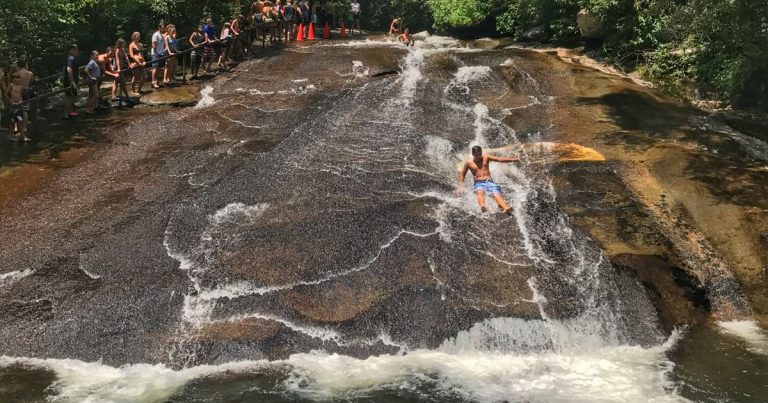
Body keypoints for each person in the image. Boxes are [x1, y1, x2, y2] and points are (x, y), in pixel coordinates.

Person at [457, 145, 520, 214]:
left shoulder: (486, 157)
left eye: (479, 154)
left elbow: (500, 159)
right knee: (480, 192)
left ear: (481, 152)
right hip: (479, 183)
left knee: (496, 194)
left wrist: (513, 159)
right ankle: (482, 206)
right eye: (476, 155)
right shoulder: (468, 163)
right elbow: (462, 174)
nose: (478, 157)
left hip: (489, 182)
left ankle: (506, 208)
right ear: (473, 154)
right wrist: (460, 186)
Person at [13, 59, 34, 129]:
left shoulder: (16, 74)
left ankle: (18, 126)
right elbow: (31, 82)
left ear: (18, 65)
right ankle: (24, 127)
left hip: (17, 91)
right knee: (25, 110)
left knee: (17, 110)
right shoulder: (30, 73)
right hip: (26, 90)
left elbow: (13, 83)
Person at [112, 39, 133, 106]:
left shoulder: (123, 50)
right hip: (117, 67)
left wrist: (129, 65)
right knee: (121, 82)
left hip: (121, 67)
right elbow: (117, 60)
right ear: (120, 44)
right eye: (123, 43)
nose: (124, 44)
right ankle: (126, 97)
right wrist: (118, 68)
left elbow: (126, 57)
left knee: (117, 82)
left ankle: (114, 96)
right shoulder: (117, 50)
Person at [63, 44, 80, 119]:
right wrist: (72, 81)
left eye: (77, 49)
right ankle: (65, 114)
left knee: (72, 96)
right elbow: (69, 69)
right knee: (69, 97)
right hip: (69, 81)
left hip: (73, 80)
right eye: (75, 49)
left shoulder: (73, 58)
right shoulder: (70, 58)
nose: (77, 51)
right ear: (71, 50)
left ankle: (70, 111)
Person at [150, 24, 166, 89]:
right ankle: (153, 82)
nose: (163, 29)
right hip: (155, 54)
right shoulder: (155, 35)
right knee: (155, 68)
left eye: (164, 28)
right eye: (162, 28)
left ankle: (157, 81)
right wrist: (156, 53)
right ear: (159, 28)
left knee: (158, 68)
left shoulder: (162, 35)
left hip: (161, 53)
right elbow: (153, 44)